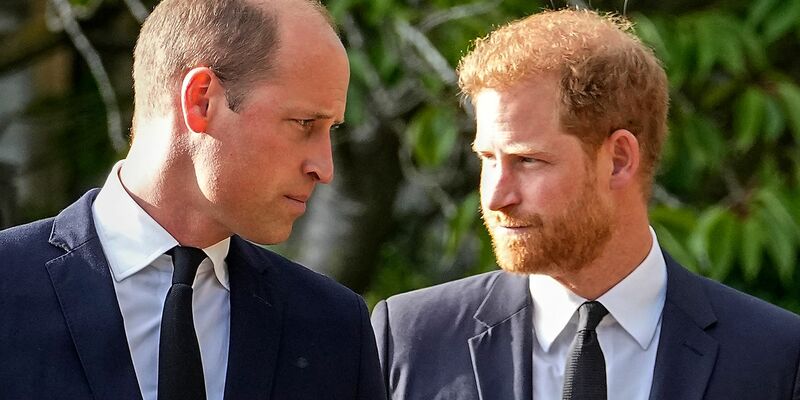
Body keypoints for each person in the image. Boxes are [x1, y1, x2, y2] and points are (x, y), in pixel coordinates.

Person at [371, 8, 800, 400]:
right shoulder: (411, 337)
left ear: (618, 160)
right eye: (487, 159)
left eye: (528, 160)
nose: (496, 197)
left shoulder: (774, 356)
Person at [0, 0, 385, 399]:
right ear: (201, 100)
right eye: (304, 123)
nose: (325, 168)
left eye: (330, 129)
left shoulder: (334, 327)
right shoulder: (8, 286)